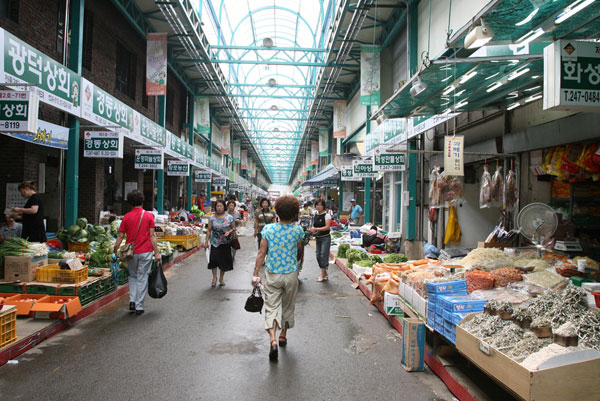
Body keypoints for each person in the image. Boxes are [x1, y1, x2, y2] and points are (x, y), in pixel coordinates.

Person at [252, 195, 304, 361]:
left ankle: (273, 340)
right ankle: (283, 335)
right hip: (290, 274)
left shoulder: (268, 230)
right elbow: (298, 250)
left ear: (277, 211)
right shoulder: (298, 230)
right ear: (295, 213)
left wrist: (255, 273)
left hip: (273, 274)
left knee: (271, 307)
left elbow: (261, 253)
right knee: (288, 306)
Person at [114, 190, 161, 315]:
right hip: (145, 251)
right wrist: (157, 252)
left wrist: (116, 248)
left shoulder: (126, 217)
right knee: (142, 277)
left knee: (133, 276)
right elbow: (152, 236)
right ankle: (139, 305)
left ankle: (132, 300)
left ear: (129, 203)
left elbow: (120, 236)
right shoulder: (149, 216)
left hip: (131, 252)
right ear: (142, 201)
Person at [204, 199, 235, 287]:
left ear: (224, 207)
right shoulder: (212, 218)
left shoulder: (229, 217)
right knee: (213, 260)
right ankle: (214, 278)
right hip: (214, 242)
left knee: (223, 261)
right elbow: (209, 230)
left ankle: (221, 278)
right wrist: (206, 241)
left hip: (225, 243)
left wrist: (229, 232)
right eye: (217, 206)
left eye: (221, 206)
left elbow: (234, 228)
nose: (219, 208)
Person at [310, 199, 332, 282]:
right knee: (318, 255)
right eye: (317, 205)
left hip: (326, 237)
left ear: (323, 206)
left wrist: (316, 228)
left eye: (320, 205)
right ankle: (325, 272)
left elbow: (327, 227)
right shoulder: (315, 215)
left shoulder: (327, 215)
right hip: (318, 238)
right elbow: (313, 225)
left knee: (323, 255)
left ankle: (322, 275)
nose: (318, 207)